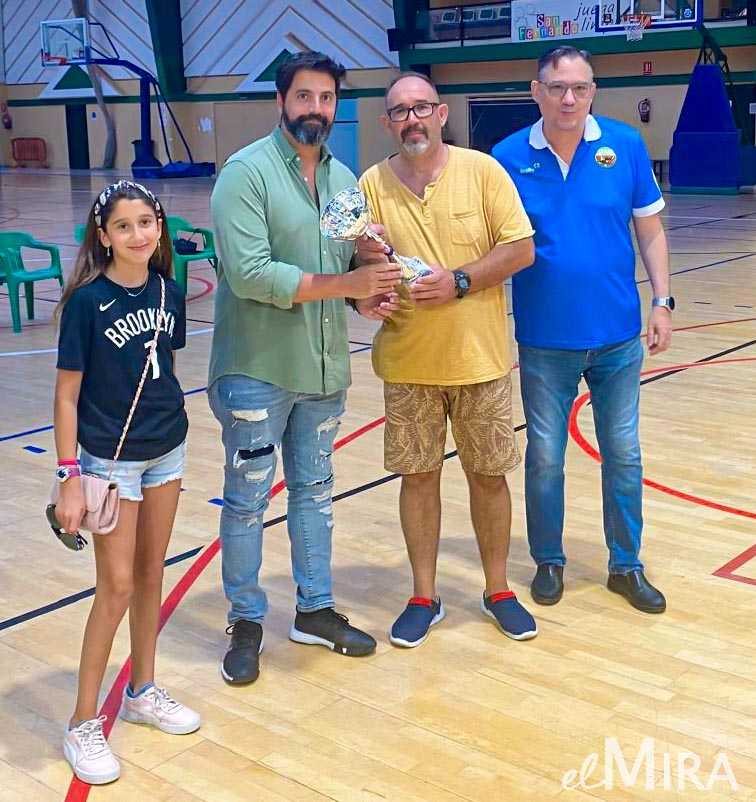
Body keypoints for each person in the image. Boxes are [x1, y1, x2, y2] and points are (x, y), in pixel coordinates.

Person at [208, 51, 401, 685]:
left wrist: (363, 293)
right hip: (257, 371)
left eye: (326, 98)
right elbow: (250, 274)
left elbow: (342, 267)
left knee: (316, 496)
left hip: (323, 372)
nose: (315, 109)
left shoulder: (346, 180)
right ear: (282, 101)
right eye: (304, 97)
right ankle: (245, 619)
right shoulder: (247, 174)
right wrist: (346, 280)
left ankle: (314, 610)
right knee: (247, 502)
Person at [356, 72, 537, 648]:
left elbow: (521, 249)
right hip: (408, 363)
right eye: (399, 112)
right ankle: (423, 596)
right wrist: (370, 284)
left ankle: (499, 589)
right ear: (388, 124)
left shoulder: (483, 171)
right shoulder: (370, 184)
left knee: (489, 478)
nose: (412, 119)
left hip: (479, 361)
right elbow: (364, 275)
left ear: (440, 113)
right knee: (418, 479)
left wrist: (459, 280)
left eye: (422, 108)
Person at [492, 46, 672, 614]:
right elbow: (493, 245)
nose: (569, 98)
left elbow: (650, 232)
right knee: (545, 456)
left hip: (618, 337)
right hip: (545, 340)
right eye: (557, 87)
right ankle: (549, 560)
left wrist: (662, 301)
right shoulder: (505, 156)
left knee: (625, 453)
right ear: (536, 90)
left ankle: (627, 564)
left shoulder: (626, 145)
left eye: (580, 87)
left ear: (593, 91)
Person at [54, 180, 200, 785]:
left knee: (149, 575)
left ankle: (142, 690)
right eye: (124, 226)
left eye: (147, 222)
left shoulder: (170, 290)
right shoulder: (87, 304)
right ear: (103, 235)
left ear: (159, 228)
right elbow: (66, 396)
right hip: (109, 464)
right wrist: (69, 476)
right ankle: (83, 721)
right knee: (113, 587)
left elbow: (164, 366)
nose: (138, 234)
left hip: (166, 449)